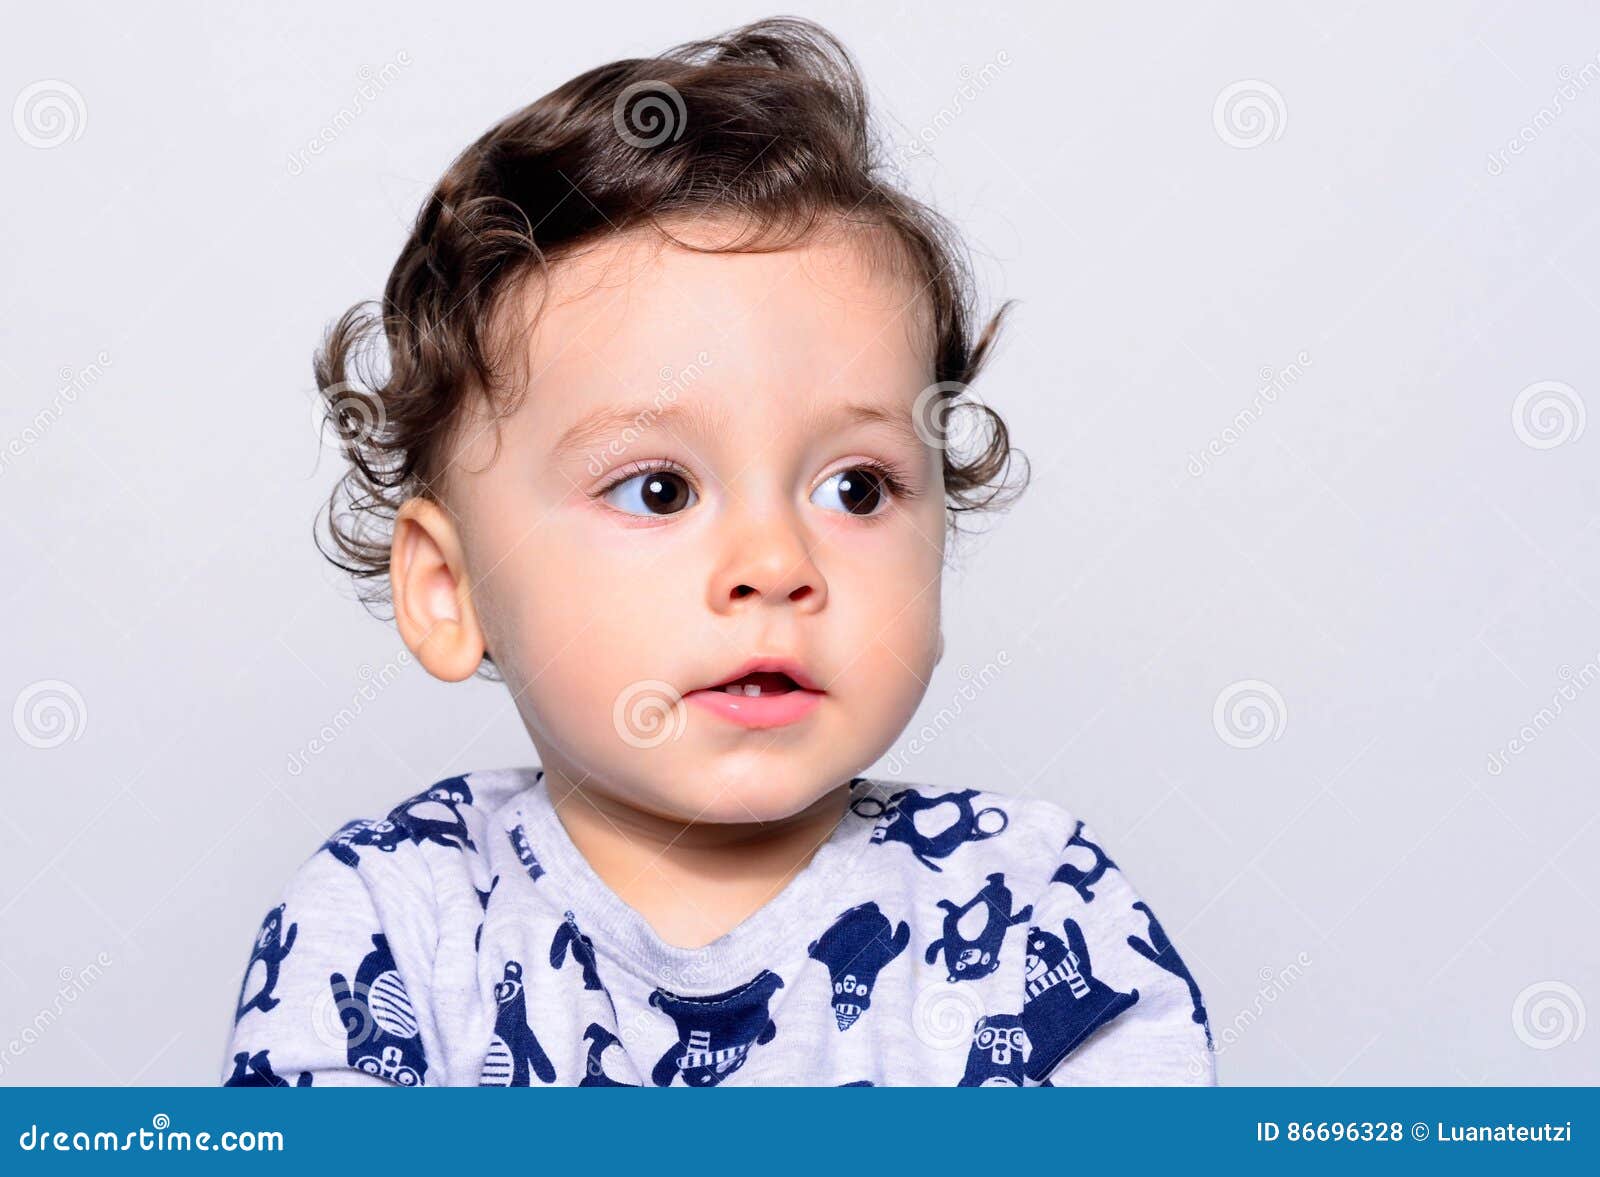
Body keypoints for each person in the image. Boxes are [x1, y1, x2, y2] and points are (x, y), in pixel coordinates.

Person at [223, 15, 1215, 1088]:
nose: (776, 562)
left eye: (856, 487)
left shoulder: (1037, 918)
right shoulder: (388, 925)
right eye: (659, 489)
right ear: (447, 588)